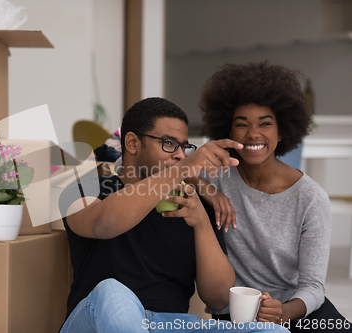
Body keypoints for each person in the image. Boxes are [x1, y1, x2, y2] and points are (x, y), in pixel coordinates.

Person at [58, 97, 288, 332]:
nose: (180, 154)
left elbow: (218, 299)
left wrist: (201, 223)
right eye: (169, 143)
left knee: (274, 331)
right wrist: (186, 168)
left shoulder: (195, 205)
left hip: (170, 325)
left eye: (184, 147)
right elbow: (101, 224)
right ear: (132, 143)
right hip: (96, 319)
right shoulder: (85, 188)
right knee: (113, 291)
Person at [198, 61, 350, 332]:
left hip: (294, 308)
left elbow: (313, 287)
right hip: (238, 312)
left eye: (265, 124)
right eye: (242, 124)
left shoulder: (310, 198)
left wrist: (284, 312)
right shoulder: (217, 176)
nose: (253, 133)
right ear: (229, 132)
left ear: (281, 132)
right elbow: (168, 168)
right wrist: (207, 190)